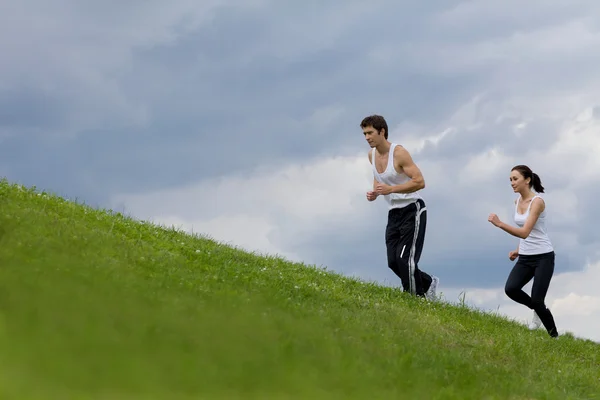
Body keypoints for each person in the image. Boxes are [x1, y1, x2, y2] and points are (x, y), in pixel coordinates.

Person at [361, 114, 439, 300]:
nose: (367, 137)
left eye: (370, 133)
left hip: (413, 209)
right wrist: (376, 192)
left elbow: (420, 182)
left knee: (405, 260)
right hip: (393, 212)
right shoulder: (371, 155)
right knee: (393, 262)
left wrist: (391, 189)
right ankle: (427, 283)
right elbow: (378, 177)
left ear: (382, 132)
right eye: (364, 134)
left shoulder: (399, 153)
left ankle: (415, 300)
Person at [487, 165, 558, 338]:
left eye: (515, 179)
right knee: (511, 289)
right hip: (525, 256)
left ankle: (554, 337)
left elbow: (525, 232)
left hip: (543, 257)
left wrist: (500, 223)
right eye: (510, 179)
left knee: (537, 299)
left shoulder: (537, 202)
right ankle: (537, 310)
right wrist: (518, 250)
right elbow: (528, 234)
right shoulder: (516, 201)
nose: (512, 183)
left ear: (527, 180)